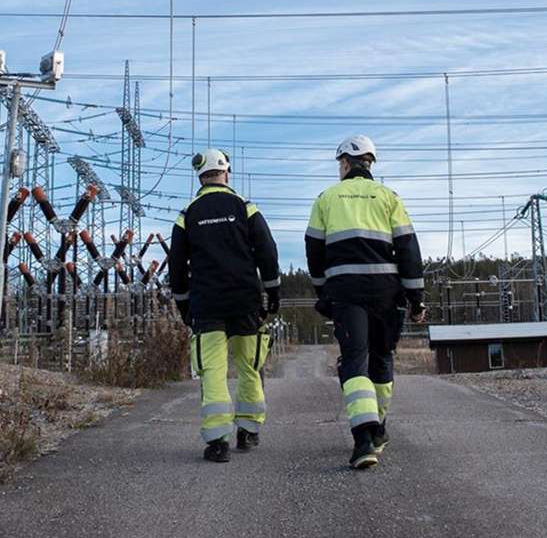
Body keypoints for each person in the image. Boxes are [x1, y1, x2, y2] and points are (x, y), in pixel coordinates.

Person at [305, 135, 426, 470]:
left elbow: (314, 250)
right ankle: (378, 428)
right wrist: (416, 299)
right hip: (387, 292)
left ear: (344, 163)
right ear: (370, 163)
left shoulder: (327, 197)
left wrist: (322, 291)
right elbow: (408, 250)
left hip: (346, 291)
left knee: (355, 360)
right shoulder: (389, 197)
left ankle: (363, 441)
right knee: (382, 358)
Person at [168, 149, 281, 463]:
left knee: (213, 371)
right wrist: (271, 293)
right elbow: (268, 253)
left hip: (207, 305)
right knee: (249, 367)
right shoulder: (245, 207)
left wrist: (184, 306)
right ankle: (248, 431)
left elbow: (176, 267)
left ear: (200, 177)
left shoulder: (187, 213)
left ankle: (218, 442)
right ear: (226, 174)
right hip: (246, 301)